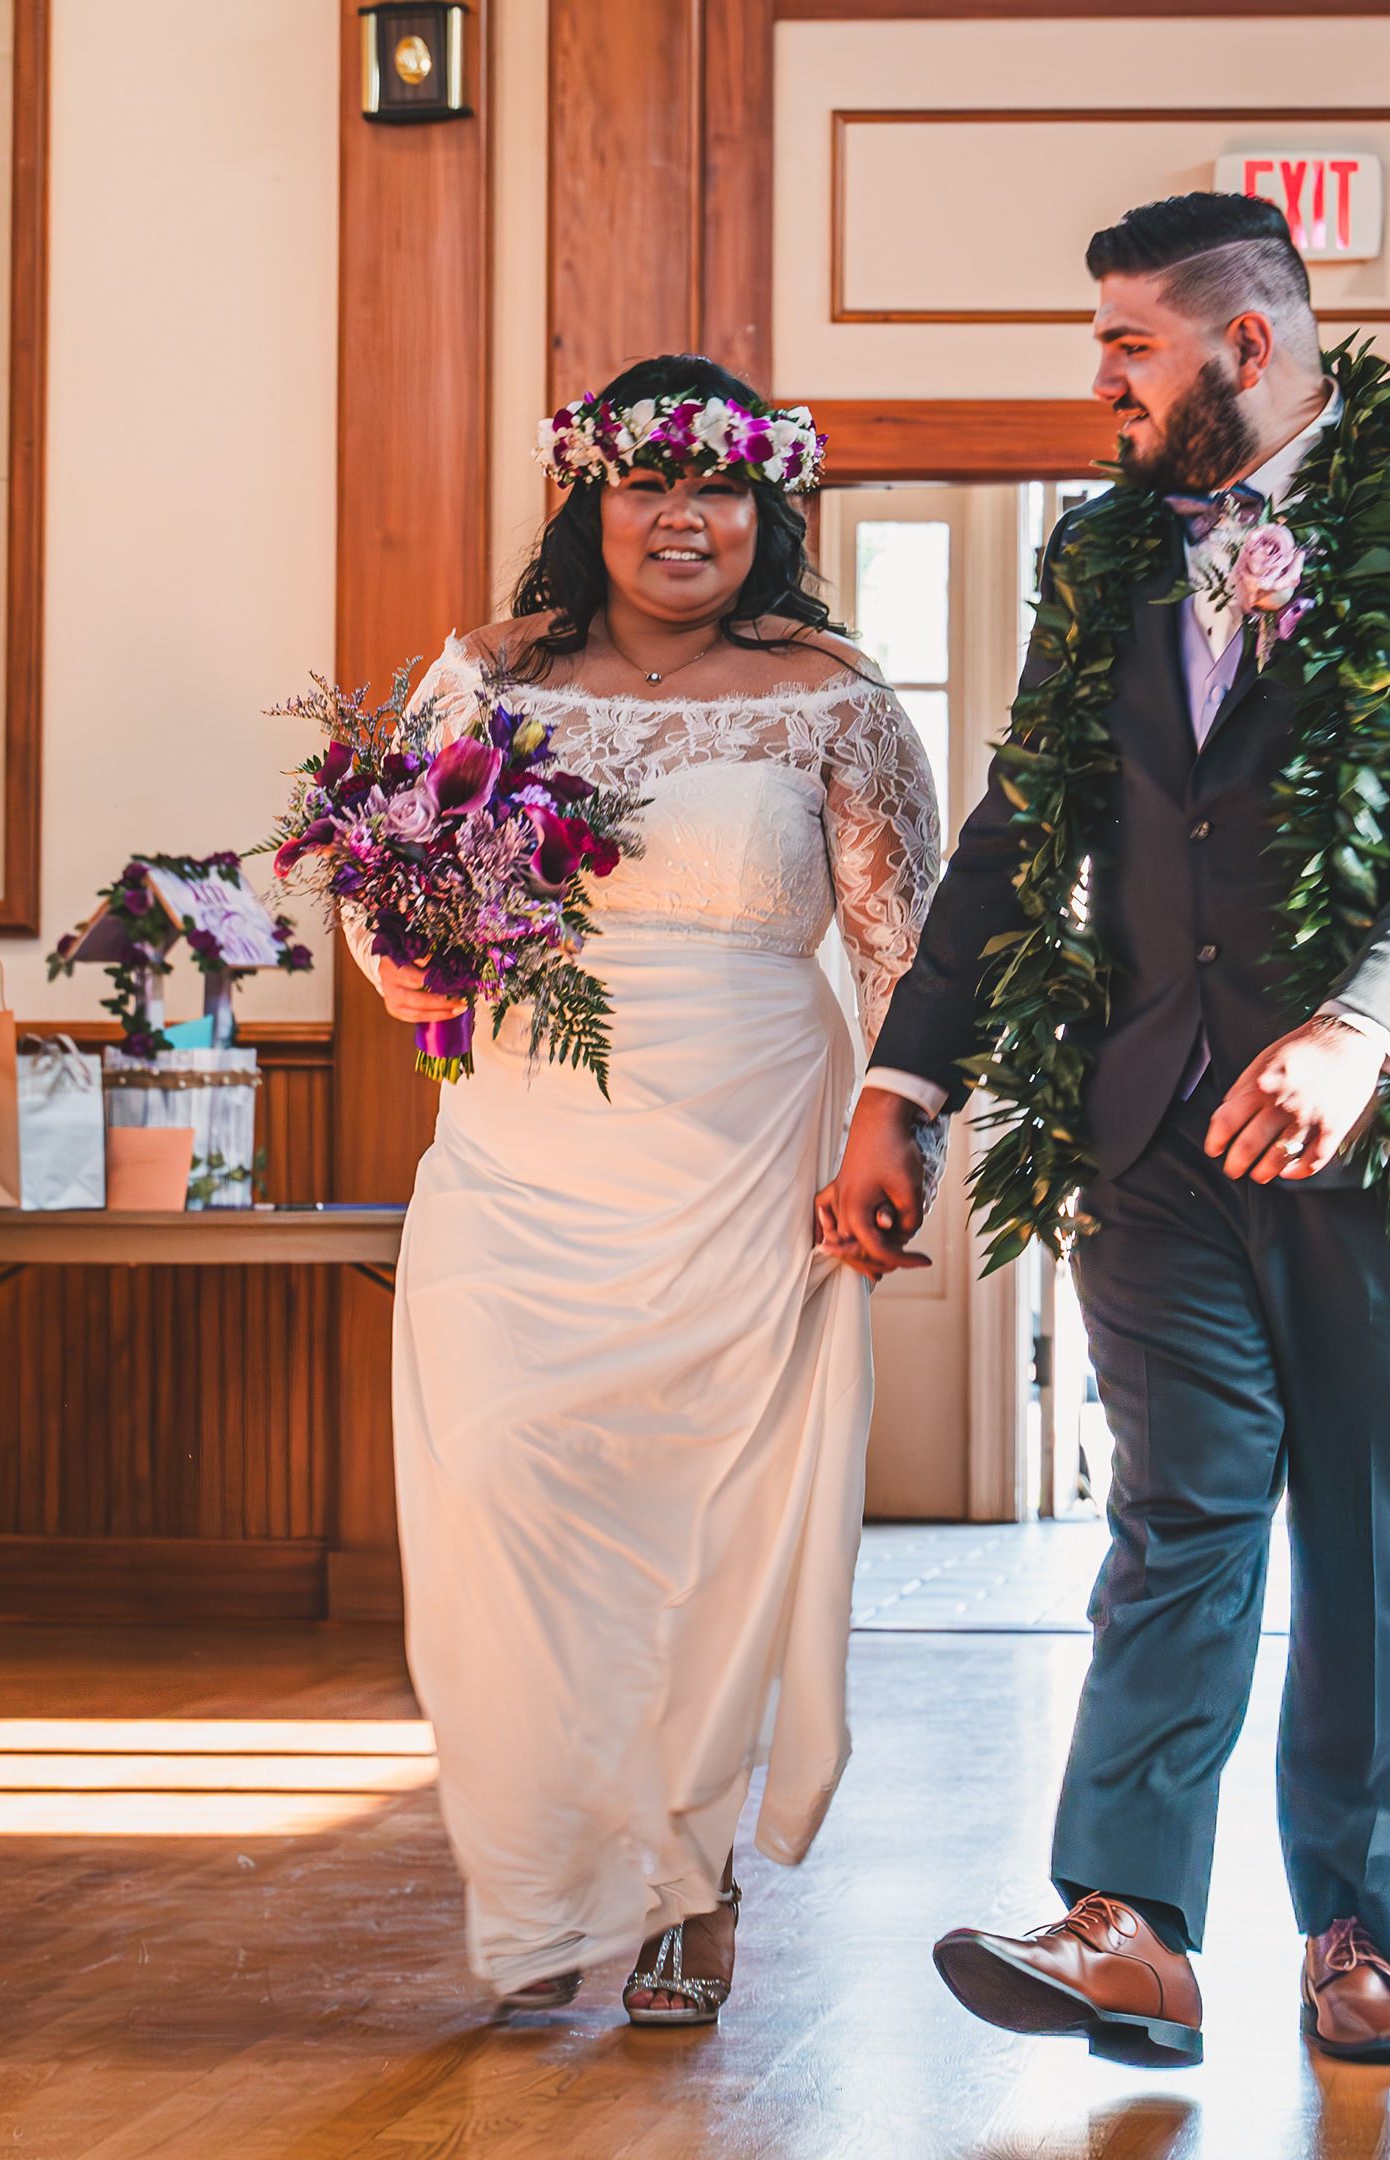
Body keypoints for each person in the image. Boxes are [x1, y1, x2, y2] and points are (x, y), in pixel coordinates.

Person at [824, 193, 1390, 2072]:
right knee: (1174, 1516)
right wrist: (902, 1086)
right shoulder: (1101, 555)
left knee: (1372, 1536)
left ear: (1247, 346)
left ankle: (1357, 1938)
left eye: (1127, 347)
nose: (1099, 383)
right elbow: (1015, 829)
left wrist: (1360, 1034)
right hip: (1153, 1116)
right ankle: (1133, 1927)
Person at [362, 354, 938, 2023]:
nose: (683, 520)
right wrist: (409, 968)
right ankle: (538, 1886)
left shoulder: (830, 691)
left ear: (768, 512)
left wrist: (895, 1138)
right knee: (504, 1485)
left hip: (753, 1139)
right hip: (524, 1134)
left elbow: (909, 953)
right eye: (647, 486)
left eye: (720, 491)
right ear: (591, 500)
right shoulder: (488, 676)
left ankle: (690, 1885)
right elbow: (387, 893)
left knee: (705, 1524)